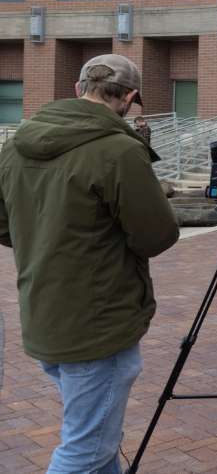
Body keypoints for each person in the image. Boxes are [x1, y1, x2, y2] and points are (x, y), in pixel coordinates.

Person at [0, 54, 179, 473]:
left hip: (45, 312)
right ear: (129, 97)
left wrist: (46, 238)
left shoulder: (17, 143)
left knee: (97, 440)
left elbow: (3, 224)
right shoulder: (117, 150)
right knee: (86, 449)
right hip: (98, 324)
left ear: (79, 89)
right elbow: (156, 236)